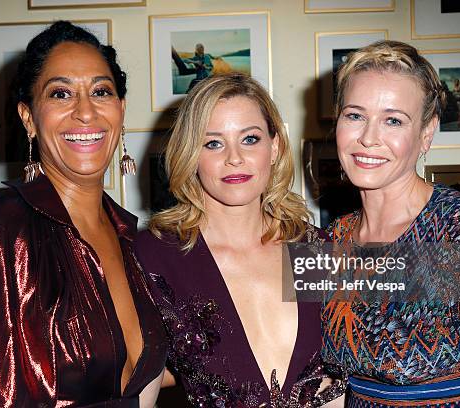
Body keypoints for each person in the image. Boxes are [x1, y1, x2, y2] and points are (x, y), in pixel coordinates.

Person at [0, 21, 166, 407]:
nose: (86, 112)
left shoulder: (134, 238)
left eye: (101, 91)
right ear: (29, 118)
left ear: (121, 110)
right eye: (61, 93)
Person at [321, 40, 460, 406]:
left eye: (393, 120)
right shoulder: (333, 236)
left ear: (426, 133)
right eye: (354, 115)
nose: (368, 138)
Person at [134, 72, 345, 407]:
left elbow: (442, 284)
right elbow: (136, 387)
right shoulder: (154, 256)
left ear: (274, 147)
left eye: (250, 139)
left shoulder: (314, 249)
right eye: (213, 143)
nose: (234, 157)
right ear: (191, 154)